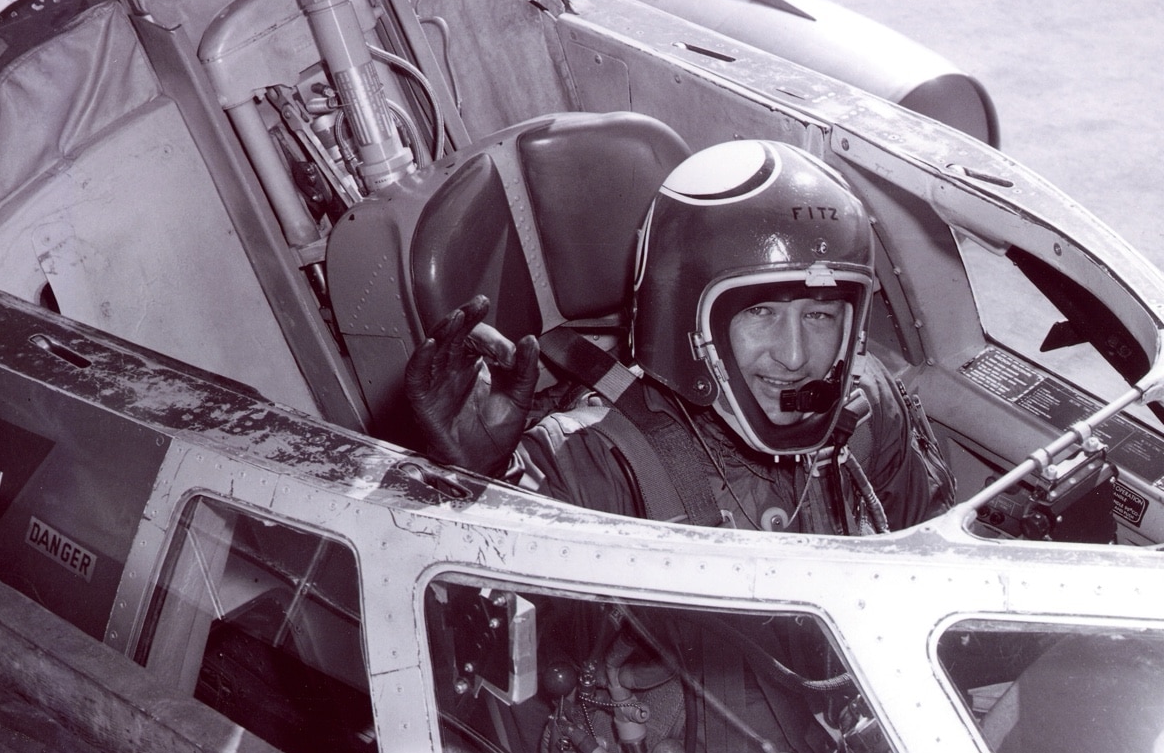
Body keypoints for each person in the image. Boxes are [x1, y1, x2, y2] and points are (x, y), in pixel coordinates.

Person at [404, 139, 954, 535]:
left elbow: (923, 569)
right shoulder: (594, 465)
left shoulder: (868, 408)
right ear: (685, 323)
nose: (795, 358)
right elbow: (505, 645)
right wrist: (477, 482)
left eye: (820, 316)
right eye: (760, 311)